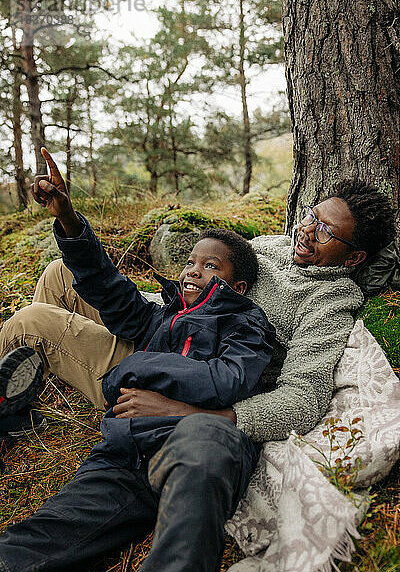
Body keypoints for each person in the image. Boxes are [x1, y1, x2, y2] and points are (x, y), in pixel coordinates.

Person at [0, 147, 396, 570]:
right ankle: (20, 403)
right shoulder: (270, 247)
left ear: (353, 258)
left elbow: (302, 398)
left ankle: (26, 398)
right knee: (58, 276)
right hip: (166, 330)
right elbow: (196, 286)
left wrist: (184, 411)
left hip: (196, 379)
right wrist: (70, 218)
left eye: (325, 232)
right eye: (311, 217)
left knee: (33, 322)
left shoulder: (326, 302)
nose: (306, 232)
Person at [0, 148, 275, 572]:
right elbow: (107, 287)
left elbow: (230, 378)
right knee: (32, 543)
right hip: (124, 454)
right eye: (189, 261)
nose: (192, 271)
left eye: (210, 266)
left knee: (201, 451)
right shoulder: (160, 316)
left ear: (237, 286)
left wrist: (138, 370)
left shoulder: (244, 322)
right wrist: (68, 218)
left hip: (196, 440)